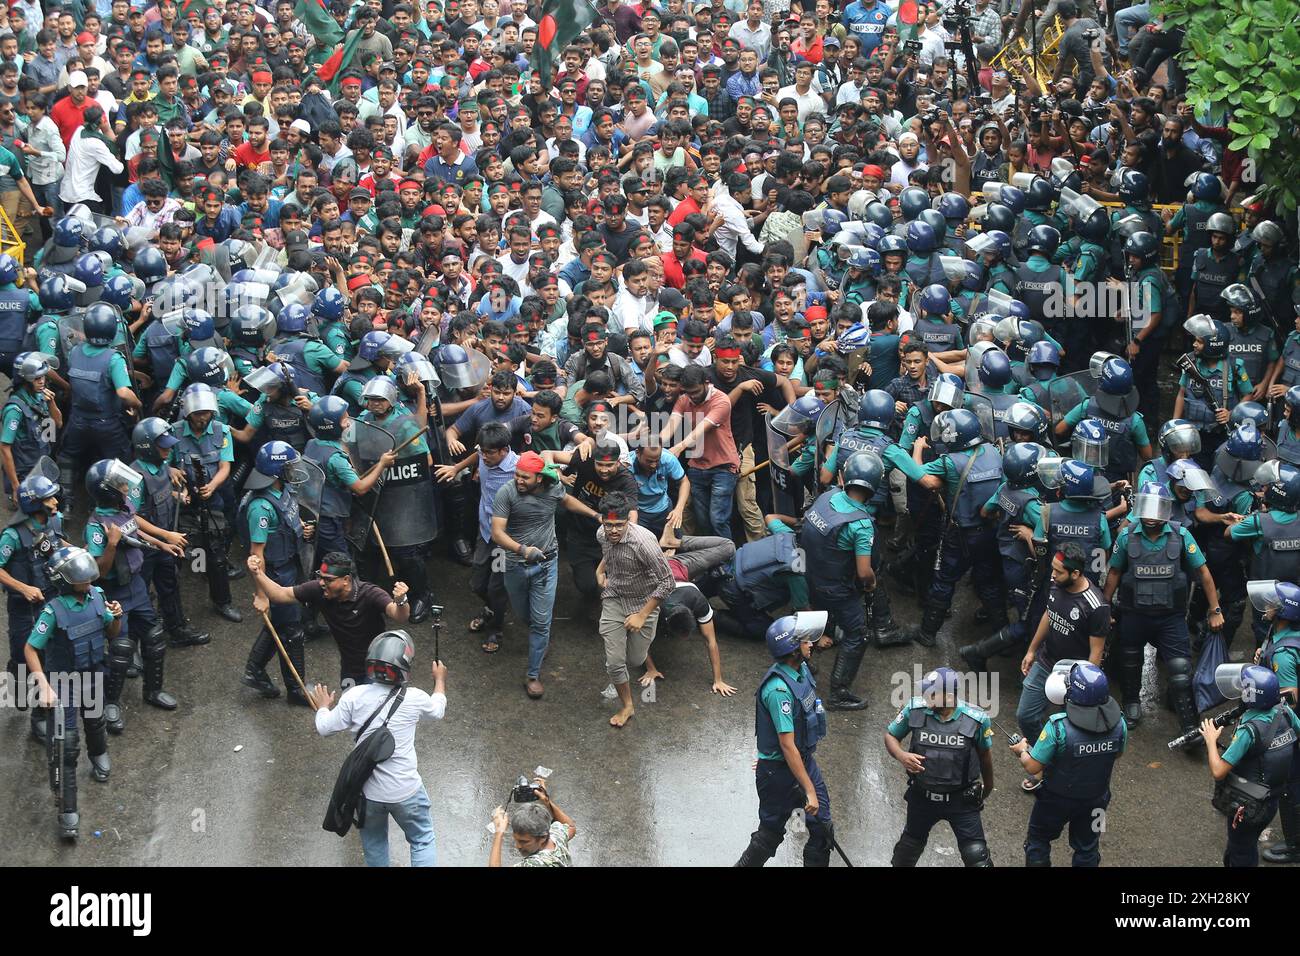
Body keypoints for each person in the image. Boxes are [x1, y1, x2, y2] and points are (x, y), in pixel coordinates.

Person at [308, 631, 447, 867]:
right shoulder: (415, 698)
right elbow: (437, 710)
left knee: (374, 845)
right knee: (422, 839)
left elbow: (324, 728)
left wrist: (323, 707)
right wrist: (439, 680)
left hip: (368, 794)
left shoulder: (353, 697)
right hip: (407, 791)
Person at [1103, 482, 1224, 732]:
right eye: (1147, 509)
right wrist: (1105, 608)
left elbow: (1203, 572)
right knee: (1130, 661)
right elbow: (1114, 572)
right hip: (1134, 614)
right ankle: (1132, 702)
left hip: (1171, 617)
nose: (1151, 516)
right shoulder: (1127, 536)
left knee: (1180, 670)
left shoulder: (1180, 536)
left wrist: (1215, 609)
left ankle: (1190, 725)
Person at [24, 546, 120, 841]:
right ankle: (67, 811)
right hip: (63, 683)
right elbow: (31, 648)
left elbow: (112, 634)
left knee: (95, 722)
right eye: (81, 578)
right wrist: (44, 685)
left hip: (91, 676)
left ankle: (99, 753)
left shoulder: (97, 597)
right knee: (64, 746)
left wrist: (116, 616)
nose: (88, 581)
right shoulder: (53, 611)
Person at [490, 450, 599, 700]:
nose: (519, 480)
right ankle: (541, 637)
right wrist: (522, 550)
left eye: (525, 477)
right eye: (517, 475)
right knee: (524, 614)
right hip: (515, 565)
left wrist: (594, 515)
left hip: (547, 564)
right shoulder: (506, 493)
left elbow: (566, 500)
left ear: (539, 478)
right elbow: (497, 533)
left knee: (540, 621)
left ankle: (532, 674)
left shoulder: (553, 487)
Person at [735, 612, 837, 867]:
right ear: (793, 650)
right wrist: (809, 791)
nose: (811, 643)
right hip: (779, 772)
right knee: (770, 835)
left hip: (803, 762)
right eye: (805, 641)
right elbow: (786, 745)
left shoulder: (801, 669)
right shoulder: (778, 691)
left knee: (823, 829)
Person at [801, 449, 893, 711]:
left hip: (810, 576)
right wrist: (871, 584)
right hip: (837, 588)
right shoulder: (861, 525)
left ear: (843, 477)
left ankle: (801, 665)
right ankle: (838, 693)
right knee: (856, 634)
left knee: (814, 618)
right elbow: (864, 572)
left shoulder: (827, 497)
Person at [1012, 660, 1127, 866]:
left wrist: (1022, 751)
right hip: (1097, 800)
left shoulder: (1058, 726)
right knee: (1088, 848)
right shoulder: (1120, 724)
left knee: (1038, 841)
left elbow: (1032, 766)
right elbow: (1116, 755)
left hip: (1055, 799)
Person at [885, 666, 995, 867]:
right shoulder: (914, 710)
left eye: (932, 692)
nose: (926, 695)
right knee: (905, 853)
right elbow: (891, 736)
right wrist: (901, 755)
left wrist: (985, 791)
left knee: (977, 856)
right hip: (922, 797)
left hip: (961, 800)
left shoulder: (976, 720)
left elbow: (985, 758)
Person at [249, 551, 410, 689]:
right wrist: (257, 573)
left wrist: (401, 600)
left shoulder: (370, 594)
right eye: (320, 577)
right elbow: (280, 594)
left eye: (328, 579)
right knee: (353, 715)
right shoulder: (318, 590)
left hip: (378, 670)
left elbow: (399, 615)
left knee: (374, 717)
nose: (321, 583)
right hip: (350, 670)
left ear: (346, 580)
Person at [1200, 664, 1300, 867]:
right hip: (1271, 798)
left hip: (1247, 805)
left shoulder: (1250, 730)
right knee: (1245, 843)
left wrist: (1211, 741)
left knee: (1241, 850)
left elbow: (1218, 771)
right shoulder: (1285, 712)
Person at [240, 440, 313, 707]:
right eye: (289, 466)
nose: (294, 469)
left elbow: (288, 519)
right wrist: (262, 594)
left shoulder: (282, 489)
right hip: (276, 574)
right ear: (275, 471)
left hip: (290, 566)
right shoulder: (261, 507)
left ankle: (254, 670)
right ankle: (297, 690)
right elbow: (255, 555)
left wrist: (302, 528)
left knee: (283, 625)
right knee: (292, 629)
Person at [594, 491, 674, 728]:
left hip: (644, 601)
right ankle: (627, 705)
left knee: (635, 658)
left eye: (619, 525)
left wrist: (642, 614)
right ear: (602, 522)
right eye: (609, 525)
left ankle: (637, 654)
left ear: (628, 520)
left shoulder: (643, 542)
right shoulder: (602, 535)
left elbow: (667, 582)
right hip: (615, 597)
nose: (614, 531)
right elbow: (609, 553)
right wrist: (600, 570)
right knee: (615, 662)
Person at [1247, 578, 1300, 864]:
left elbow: (1290, 698)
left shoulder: (1284, 653)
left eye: (1272, 604)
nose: (1266, 606)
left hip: (1291, 726)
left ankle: (1295, 845)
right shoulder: (1277, 633)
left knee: (1290, 786)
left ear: (1283, 613)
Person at [489, 779, 578, 867]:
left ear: (542, 837)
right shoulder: (557, 837)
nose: (518, 846)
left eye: (524, 841)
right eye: (516, 840)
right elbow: (570, 827)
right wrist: (546, 801)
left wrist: (499, 833)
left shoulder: (535, 864)